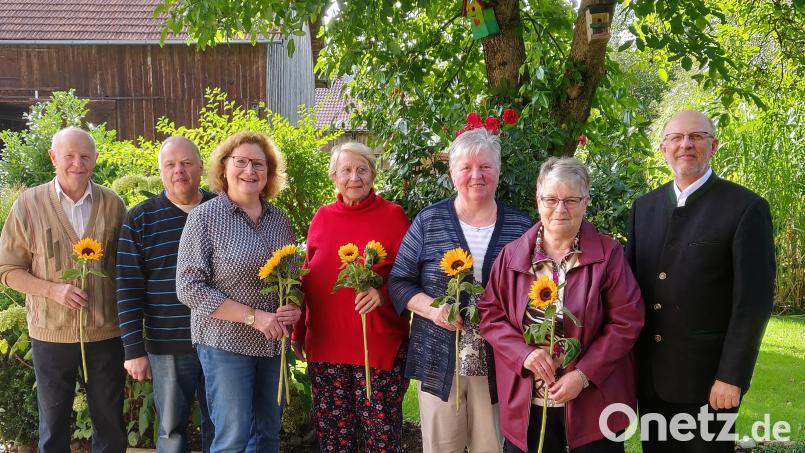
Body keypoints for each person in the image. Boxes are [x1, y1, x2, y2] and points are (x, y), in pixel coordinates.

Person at [626, 110, 775, 452]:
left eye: (697, 137)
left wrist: (732, 376)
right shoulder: (643, 207)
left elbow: (752, 304)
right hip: (652, 379)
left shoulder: (746, 208)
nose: (686, 145)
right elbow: (630, 292)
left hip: (711, 382)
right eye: (676, 138)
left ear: (714, 145)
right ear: (663, 149)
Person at [478, 157, 645, 453]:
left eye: (571, 199)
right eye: (552, 199)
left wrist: (583, 375)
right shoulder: (512, 256)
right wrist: (523, 355)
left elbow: (626, 321)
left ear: (586, 201)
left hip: (592, 404)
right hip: (528, 402)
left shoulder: (608, 255)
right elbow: (491, 315)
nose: (560, 209)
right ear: (538, 199)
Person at [389, 128, 533, 453]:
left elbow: (537, 289)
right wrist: (432, 309)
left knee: (491, 447)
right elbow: (399, 281)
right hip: (441, 358)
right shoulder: (430, 221)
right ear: (453, 173)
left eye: (485, 166)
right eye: (466, 167)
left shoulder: (521, 228)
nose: (476, 175)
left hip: (499, 361)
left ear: (498, 171)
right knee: (442, 447)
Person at [0, 127, 127, 453]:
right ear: (53, 157)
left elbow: (127, 268)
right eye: (69, 156)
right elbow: (7, 270)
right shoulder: (28, 205)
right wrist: (52, 290)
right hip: (50, 333)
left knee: (111, 425)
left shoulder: (113, 204)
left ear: (95, 159)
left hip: (106, 332)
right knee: (53, 428)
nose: (77, 163)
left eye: (85, 156)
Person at [176, 131, 301, 453]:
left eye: (258, 164)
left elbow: (292, 277)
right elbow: (188, 288)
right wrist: (253, 316)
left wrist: (293, 306)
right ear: (224, 167)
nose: (249, 171)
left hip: (273, 346)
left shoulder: (279, 220)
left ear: (269, 173)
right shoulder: (205, 217)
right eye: (241, 162)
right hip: (225, 345)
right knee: (232, 439)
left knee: (267, 437)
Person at [291, 142, 411, 452]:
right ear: (333, 176)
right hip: (327, 346)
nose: (354, 177)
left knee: (381, 439)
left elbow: (412, 275)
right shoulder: (322, 218)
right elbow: (309, 278)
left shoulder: (394, 216)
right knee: (334, 440)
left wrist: (383, 295)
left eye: (362, 169)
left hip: (378, 348)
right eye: (346, 170)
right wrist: (298, 332)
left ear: (373, 174)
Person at [116, 136, 215, 453]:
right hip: (168, 345)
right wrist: (133, 349)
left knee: (224, 426)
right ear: (160, 171)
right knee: (171, 430)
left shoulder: (222, 211)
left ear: (200, 166)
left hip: (222, 341)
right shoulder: (141, 218)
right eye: (170, 164)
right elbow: (128, 286)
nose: (179, 171)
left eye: (186, 163)